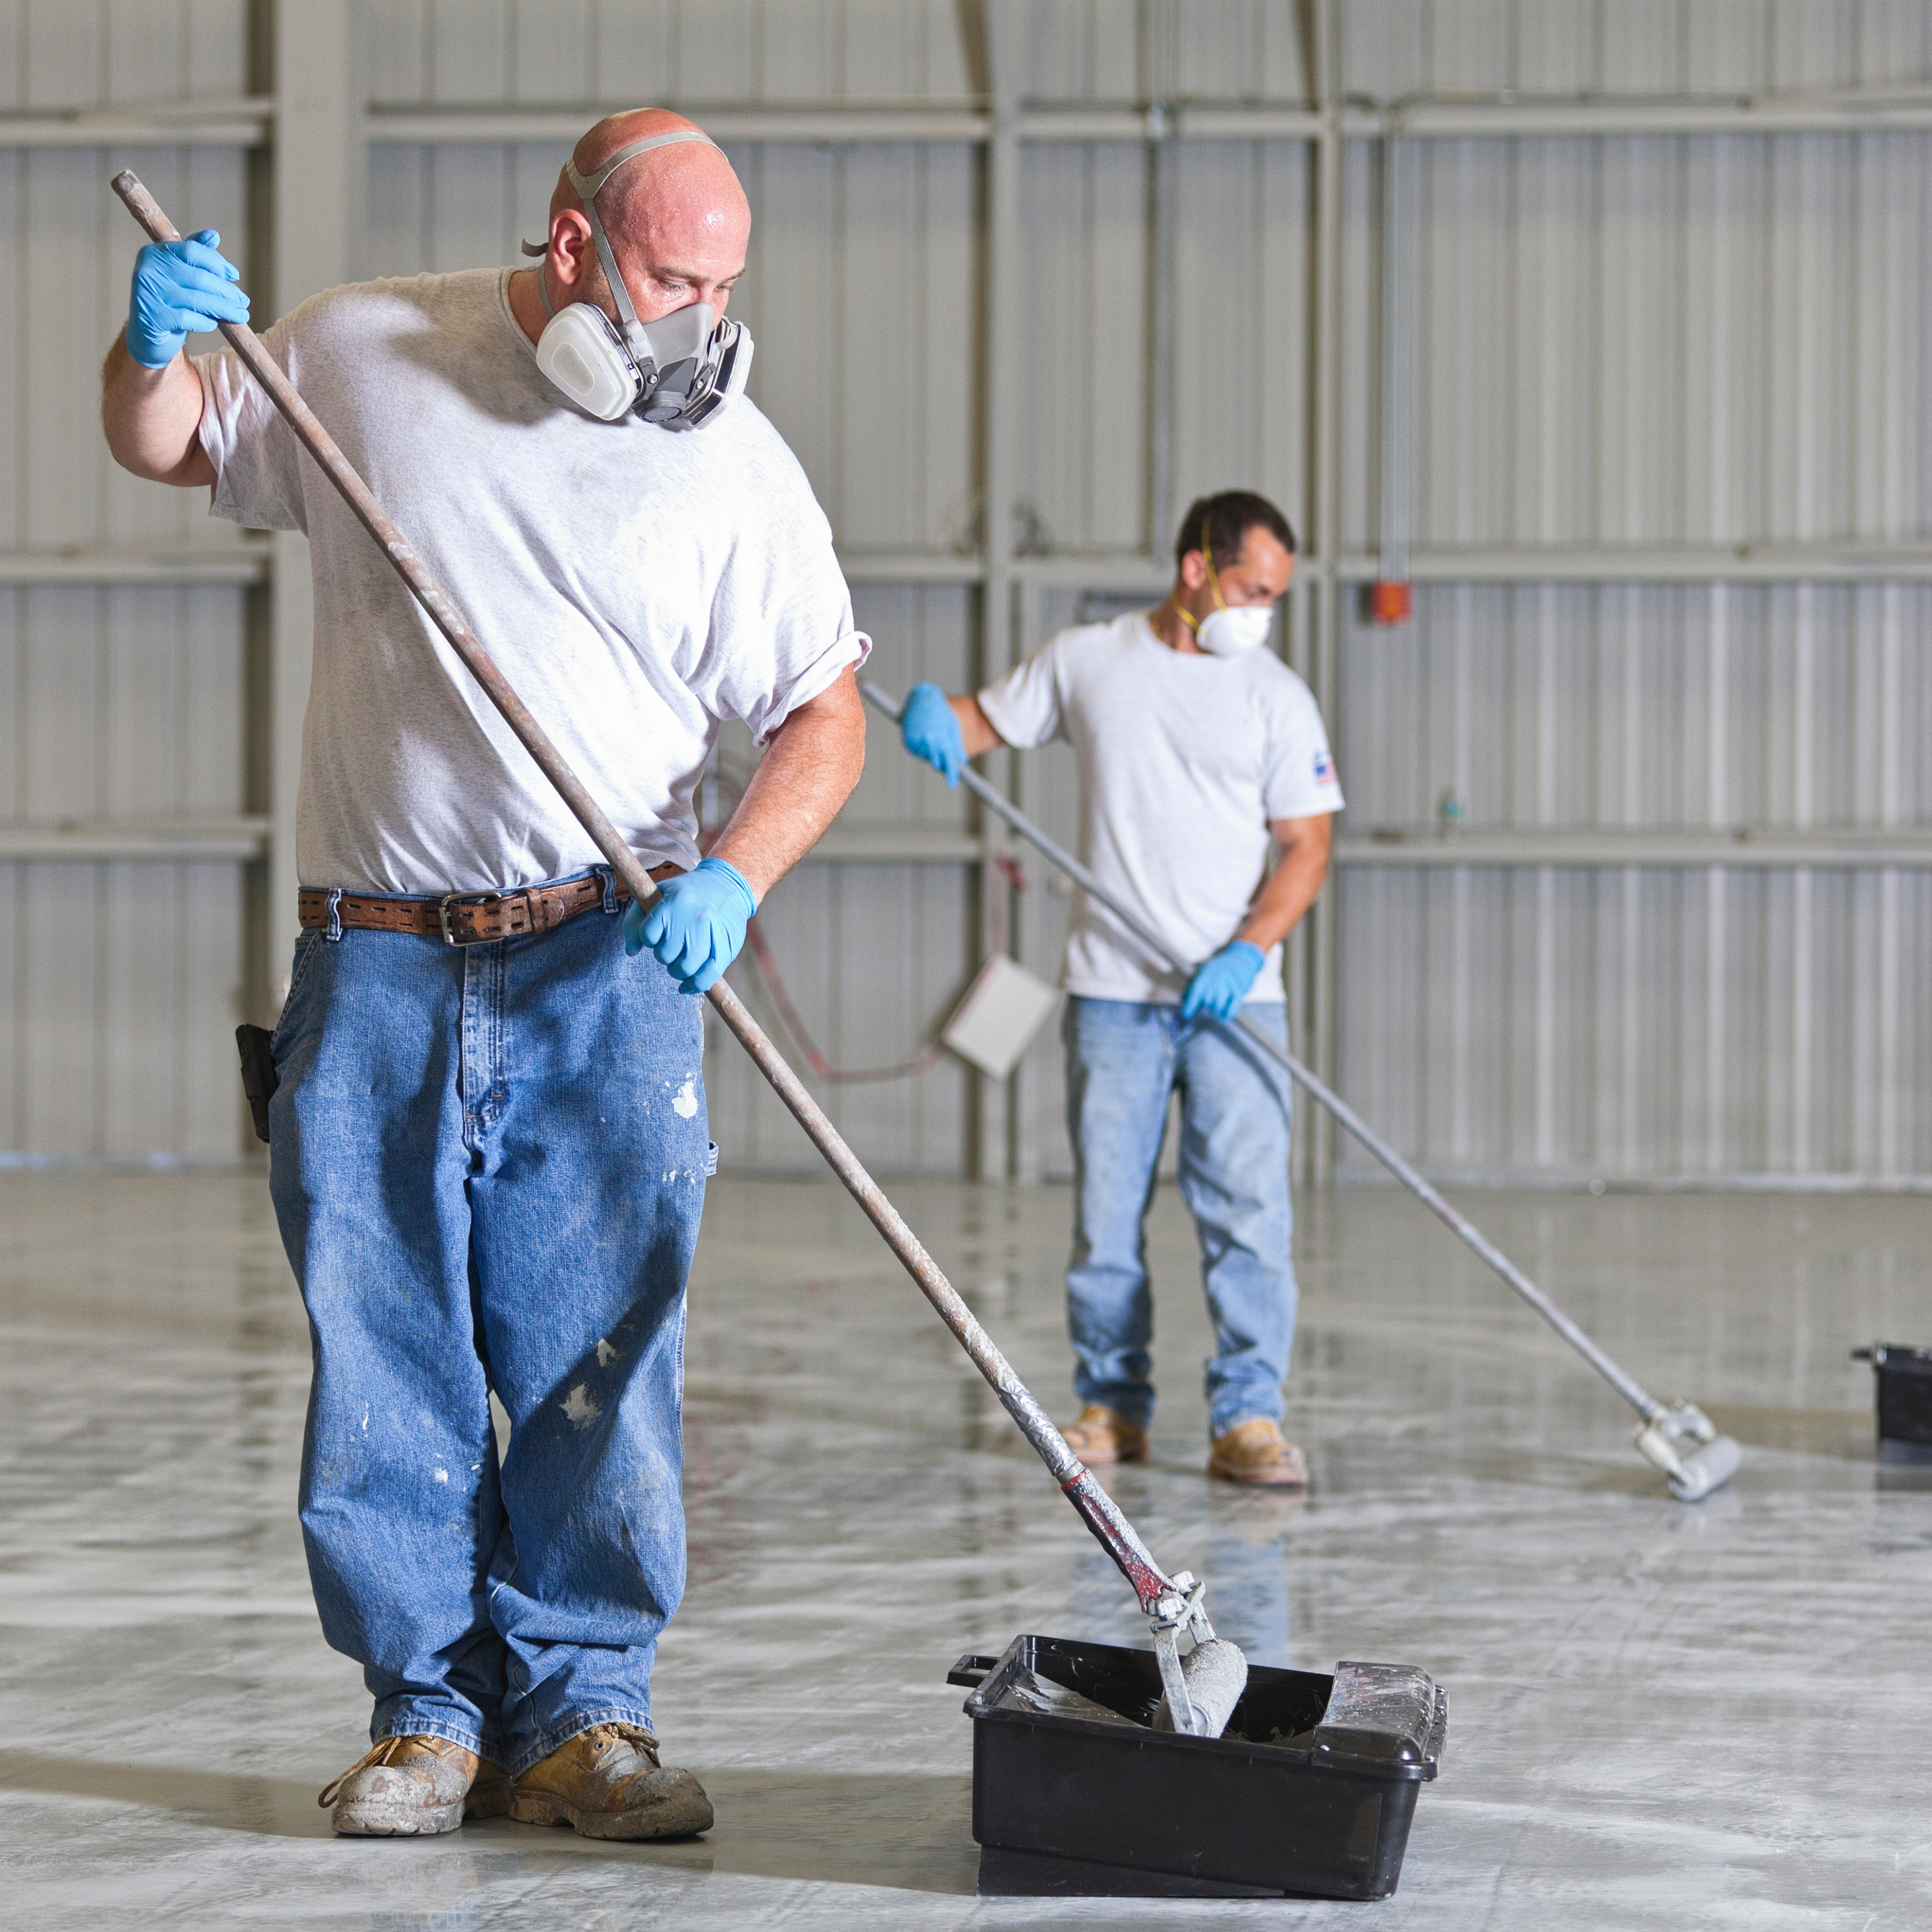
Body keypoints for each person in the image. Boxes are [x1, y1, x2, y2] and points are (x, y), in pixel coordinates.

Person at [101, 110, 868, 1839]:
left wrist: (733, 878)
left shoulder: (732, 461)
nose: (701, 326)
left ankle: (586, 1711)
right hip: (372, 955)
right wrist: (148, 344)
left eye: (727, 285)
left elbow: (821, 713)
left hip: (605, 957)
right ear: (573, 245)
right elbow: (165, 442)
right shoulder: (364, 352)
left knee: (603, 1344)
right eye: (673, 279)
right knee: (388, 1348)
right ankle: (427, 1711)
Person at [898, 492, 1340, 1487]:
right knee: (1106, 1218)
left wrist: (1245, 949)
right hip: (1111, 993)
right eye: (1250, 587)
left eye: (1274, 595)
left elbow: (1307, 848)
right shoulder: (1089, 660)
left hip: (1237, 1001)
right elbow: (977, 724)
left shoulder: (1275, 695)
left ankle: (1249, 1419)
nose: (1261, 610)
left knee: (1248, 1215)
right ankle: (1111, 1408)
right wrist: (936, 715)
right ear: (1195, 567)